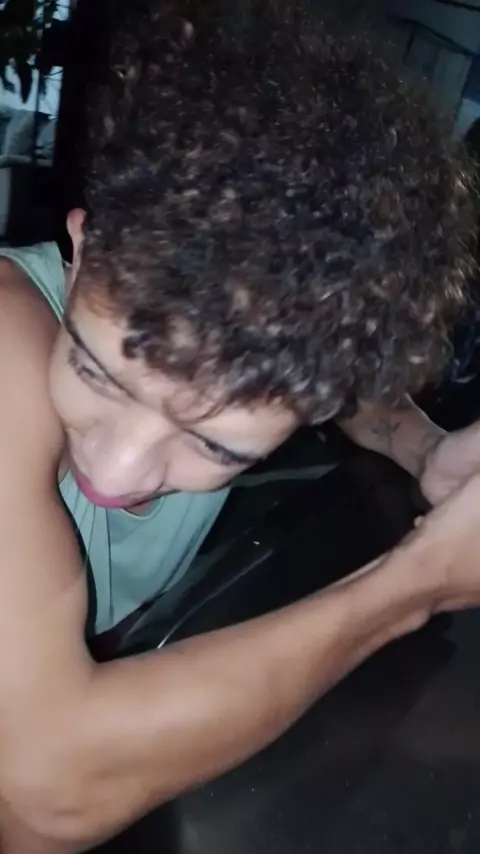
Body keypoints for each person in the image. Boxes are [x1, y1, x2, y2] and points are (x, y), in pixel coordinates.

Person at [2, 2, 480, 851]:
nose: (117, 471)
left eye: (214, 443)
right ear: (82, 250)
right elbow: (41, 798)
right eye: (96, 372)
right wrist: (416, 585)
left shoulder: (284, 368)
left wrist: (428, 447)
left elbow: (351, 393)